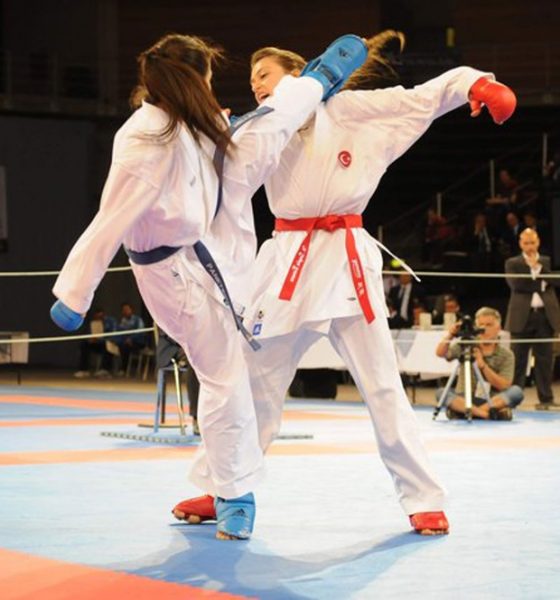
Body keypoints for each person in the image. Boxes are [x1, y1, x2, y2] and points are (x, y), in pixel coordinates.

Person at [172, 30, 517, 536]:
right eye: (251, 81)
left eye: (264, 75)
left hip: (347, 260)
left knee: (382, 386)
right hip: (287, 263)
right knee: (254, 384)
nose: (257, 86)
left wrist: (475, 84)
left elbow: (419, 98)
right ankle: (223, 483)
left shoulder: (352, 110)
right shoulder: (263, 126)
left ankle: (424, 498)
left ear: (299, 74)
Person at [49, 32, 368, 540]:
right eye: (210, 78)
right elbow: (110, 220)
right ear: (195, 79)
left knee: (266, 125)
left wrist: (291, 97)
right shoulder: (144, 139)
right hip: (174, 277)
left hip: (210, 246)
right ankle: (235, 493)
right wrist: (75, 292)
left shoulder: (192, 123)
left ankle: (316, 81)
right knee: (225, 378)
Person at [505, 228, 560, 410]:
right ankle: (513, 398)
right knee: (518, 360)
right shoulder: (512, 263)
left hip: (545, 316)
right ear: (521, 244)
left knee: (545, 360)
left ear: (538, 243)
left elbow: (556, 281)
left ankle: (546, 399)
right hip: (522, 316)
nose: (530, 246)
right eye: (526, 243)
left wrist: (539, 270)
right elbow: (517, 285)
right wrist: (541, 282)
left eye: (532, 242)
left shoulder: (546, 261)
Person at [435, 307, 524, 420]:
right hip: (464, 398)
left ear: (499, 328)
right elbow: (440, 353)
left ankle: (465, 412)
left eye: (489, 325)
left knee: (516, 392)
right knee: (441, 393)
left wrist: (483, 366)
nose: (484, 329)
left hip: (492, 401)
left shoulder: (507, 354)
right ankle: (486, 414)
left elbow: (504, 385)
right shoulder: (466, 344)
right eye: (481, 325)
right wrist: (451, 334)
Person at [74, 307, 117, 378]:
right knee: (84, 344)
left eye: (100, 317)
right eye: (97, 317)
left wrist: (101, 339)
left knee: (106, 345)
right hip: (97, 343)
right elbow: (91, 334)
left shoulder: (111, 321)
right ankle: (83, 370)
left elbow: (113, 335)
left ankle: (104, 370)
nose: (98, 318)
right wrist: (91, 339)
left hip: (108, 343)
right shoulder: (94, 323)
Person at [115, 302, 147, 373]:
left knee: (125, 348)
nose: (125, 311)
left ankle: (124, 369)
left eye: (127, 309)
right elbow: (120, 333)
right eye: (124, 310)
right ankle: (123, 369)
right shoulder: (123, 321)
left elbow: (141, 332)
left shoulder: (138, 320)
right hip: (126, 342)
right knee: (121, 346)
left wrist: (131, 339)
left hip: (138, 342)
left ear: (131, 310)